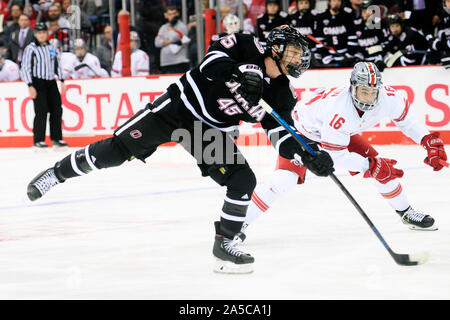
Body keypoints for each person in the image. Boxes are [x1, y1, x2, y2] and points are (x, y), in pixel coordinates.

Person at [25, 26, 334, 274]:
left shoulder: (281, 93)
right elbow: (211, 62)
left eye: (300, 55)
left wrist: (307, 153)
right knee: (115, 152)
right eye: (294, 52)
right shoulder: (244, 44)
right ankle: (57, 173)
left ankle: (224, 243)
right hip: (176, 109)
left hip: (207, 130)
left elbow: (280, 132)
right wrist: (240, 74)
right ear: (276, 48)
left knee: (242, 180)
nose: (298, 59)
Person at [234, 62, 448, 244]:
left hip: (339, 133)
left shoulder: (389, 98)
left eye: (373, 91)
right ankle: (238, 222)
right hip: (303, 132)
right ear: (352, 87)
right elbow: (333, 156)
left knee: (383, 169)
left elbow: (407, 121)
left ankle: (406, 212)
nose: (369, 97)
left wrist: (426, 139)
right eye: (364, 91)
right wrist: (369, 166)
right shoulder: (339, 109)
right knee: (286, 178)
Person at [20, 23, 68, 149]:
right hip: (37, 82)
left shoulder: (52, 47)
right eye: (39, 32)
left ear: (47, 33)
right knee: (41, 111)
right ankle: (38, 140)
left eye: (43, 32)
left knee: (57, 110)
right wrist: (30, 85)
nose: (41, 35)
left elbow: (57, 64)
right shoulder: (31, 48)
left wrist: (62, 80)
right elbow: (25, 68)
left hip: (51, 82)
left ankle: (57, 139)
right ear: (35, 34)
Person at [313, 0, 359, 67]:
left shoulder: (347, 15)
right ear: (329, 2)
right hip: (329, 57)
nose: (336, 3)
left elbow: (352, 36)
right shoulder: (321, 16)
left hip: (346, 55)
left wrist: (348, 55)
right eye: (334, 0)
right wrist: (325, 55)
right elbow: (319, 39)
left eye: (338, 1)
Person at [352, 0, 390, 71]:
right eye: (364, 12)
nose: (366, 14)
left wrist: (380, 57)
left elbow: (387, 44)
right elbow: (355, 45)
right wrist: (357, 57)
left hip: (379, 57)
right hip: (363, 59)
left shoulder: (380, 23)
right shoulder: (356, 24)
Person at [154, 5, 191, 74]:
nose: (172, 16)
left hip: (179, 62)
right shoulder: (163, 27)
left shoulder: (182, 26)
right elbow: (157, 42)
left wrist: (171, 30)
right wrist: (171, 41)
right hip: (165, 62)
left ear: (178, 14)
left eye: (174, 14)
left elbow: (173, 38)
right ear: (166, 15)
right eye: (170, 14)